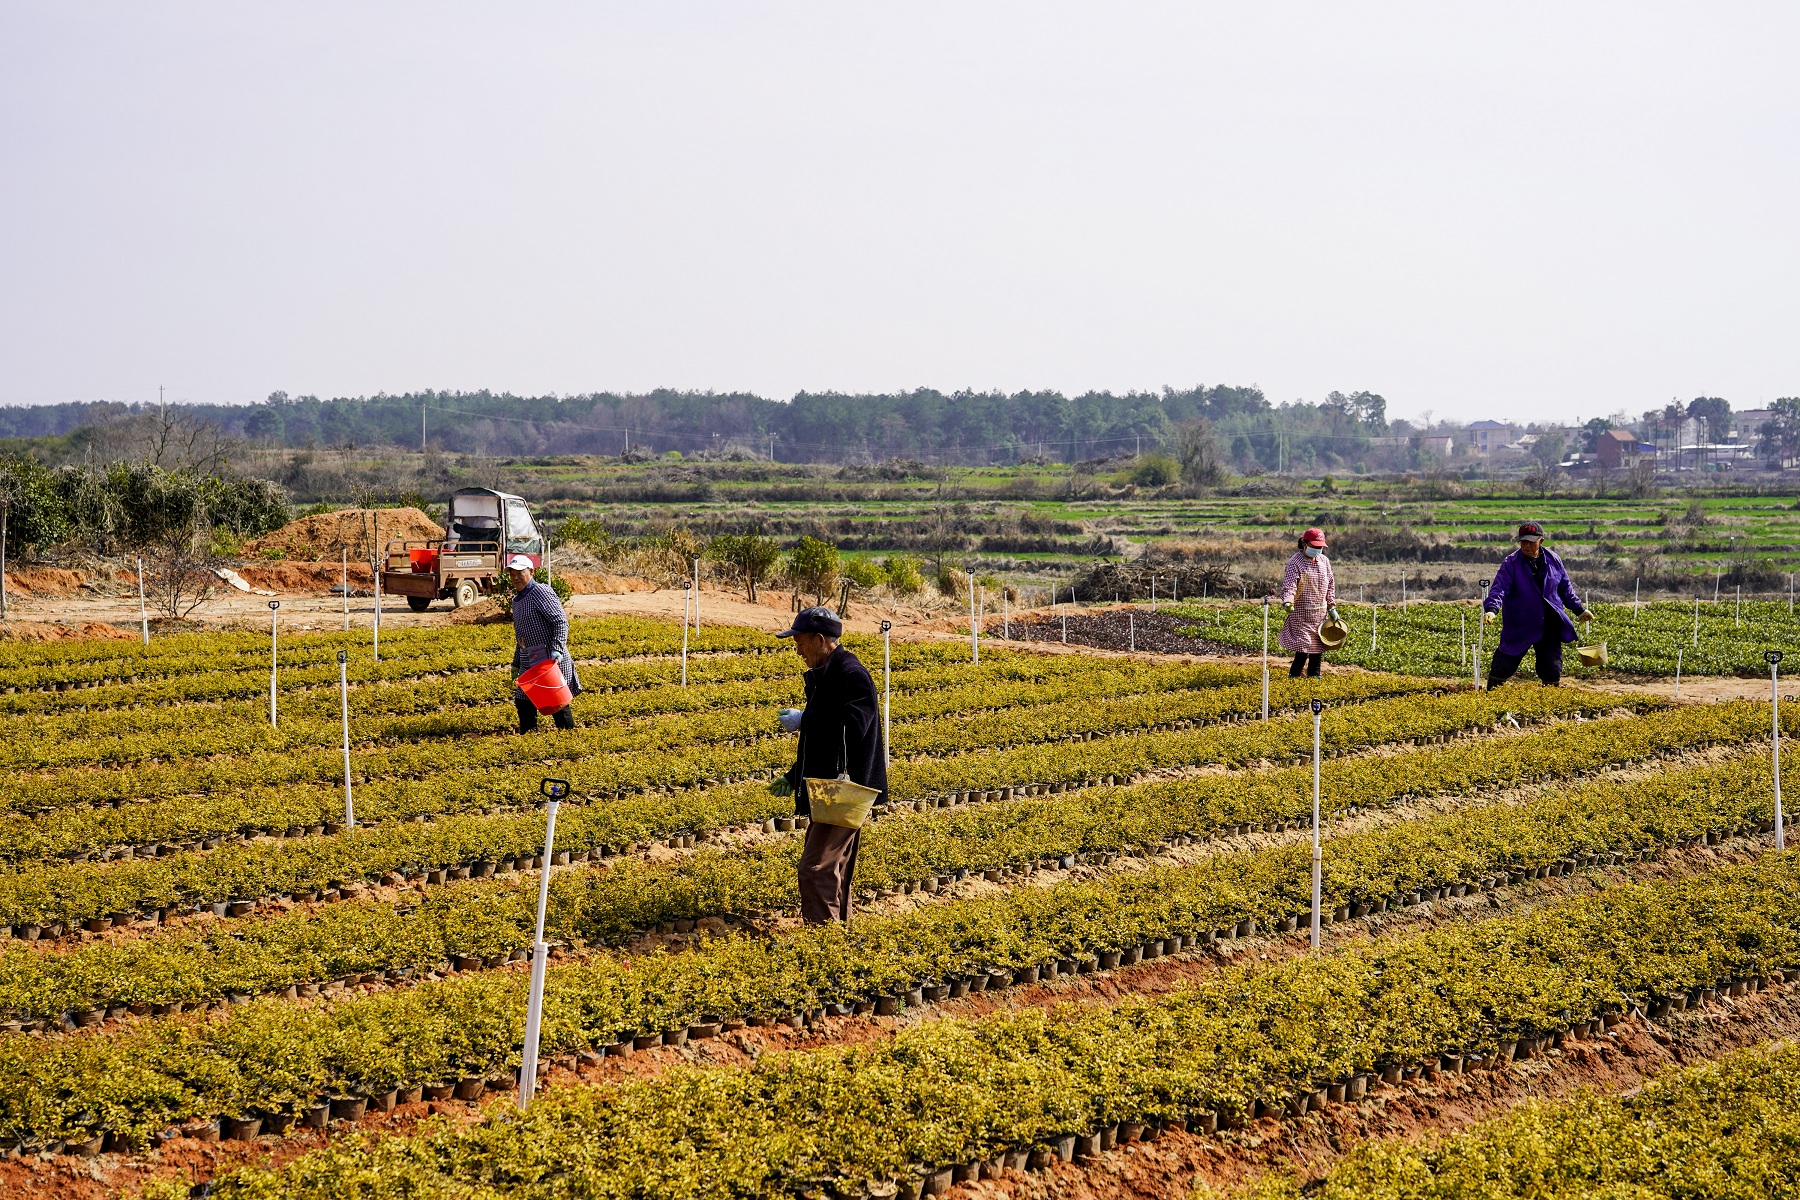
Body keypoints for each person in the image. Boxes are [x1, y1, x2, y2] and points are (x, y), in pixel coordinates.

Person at [769, 605, 887, 924]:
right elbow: (823, 741)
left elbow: (854, 726)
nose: (798, 651)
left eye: (801, 643)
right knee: (835, 864)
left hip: (844, 788)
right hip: (832, 785)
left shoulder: (850, 673)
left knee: (815, 868)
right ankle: (838, 934)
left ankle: (824, 945)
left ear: (820, 640)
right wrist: (795, 777)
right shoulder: (827, 673)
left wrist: (805, 718)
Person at [1482, 521, 1591, 688]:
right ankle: (1491, 699)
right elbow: (1500, 588)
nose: (1526, 546)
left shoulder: (1554, 560)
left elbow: (1565, 588)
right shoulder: (1511, 563)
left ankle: (1550, 706)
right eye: (1523, 542)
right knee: (1503, 664)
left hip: (1549, 623)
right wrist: (1492, 609)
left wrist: (1579, 610)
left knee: (1551, 668)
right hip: (1520, 623)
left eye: (1531, 542)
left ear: (1541, 541)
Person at [506, 553, 580, 732]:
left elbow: (560, 621)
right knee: (523, 701)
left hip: (547, 659)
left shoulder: (540, 591)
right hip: (528, 660)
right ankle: (529, 739)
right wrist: (516, 662)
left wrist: (557, 648)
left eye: (519, 573)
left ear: (531, 571)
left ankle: (569, 740)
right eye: (512, 574)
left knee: (556, 702)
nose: (515, 577)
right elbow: (520, 636)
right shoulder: (517, 601)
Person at [1269, 527, 1342, 677]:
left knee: (1318, 651)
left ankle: (1314, 678)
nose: (1317, 549)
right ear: (1304, 543)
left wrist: (1332, 606)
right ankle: (1294, 678)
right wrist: (1288, 602)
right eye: (1314, 546)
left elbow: (1330, 585)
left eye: (1320, 547)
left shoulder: (1324, 561)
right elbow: (1290, 585)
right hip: (1301, 615)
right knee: (1303, 650)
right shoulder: (1294, 562)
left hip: (1319, 615)